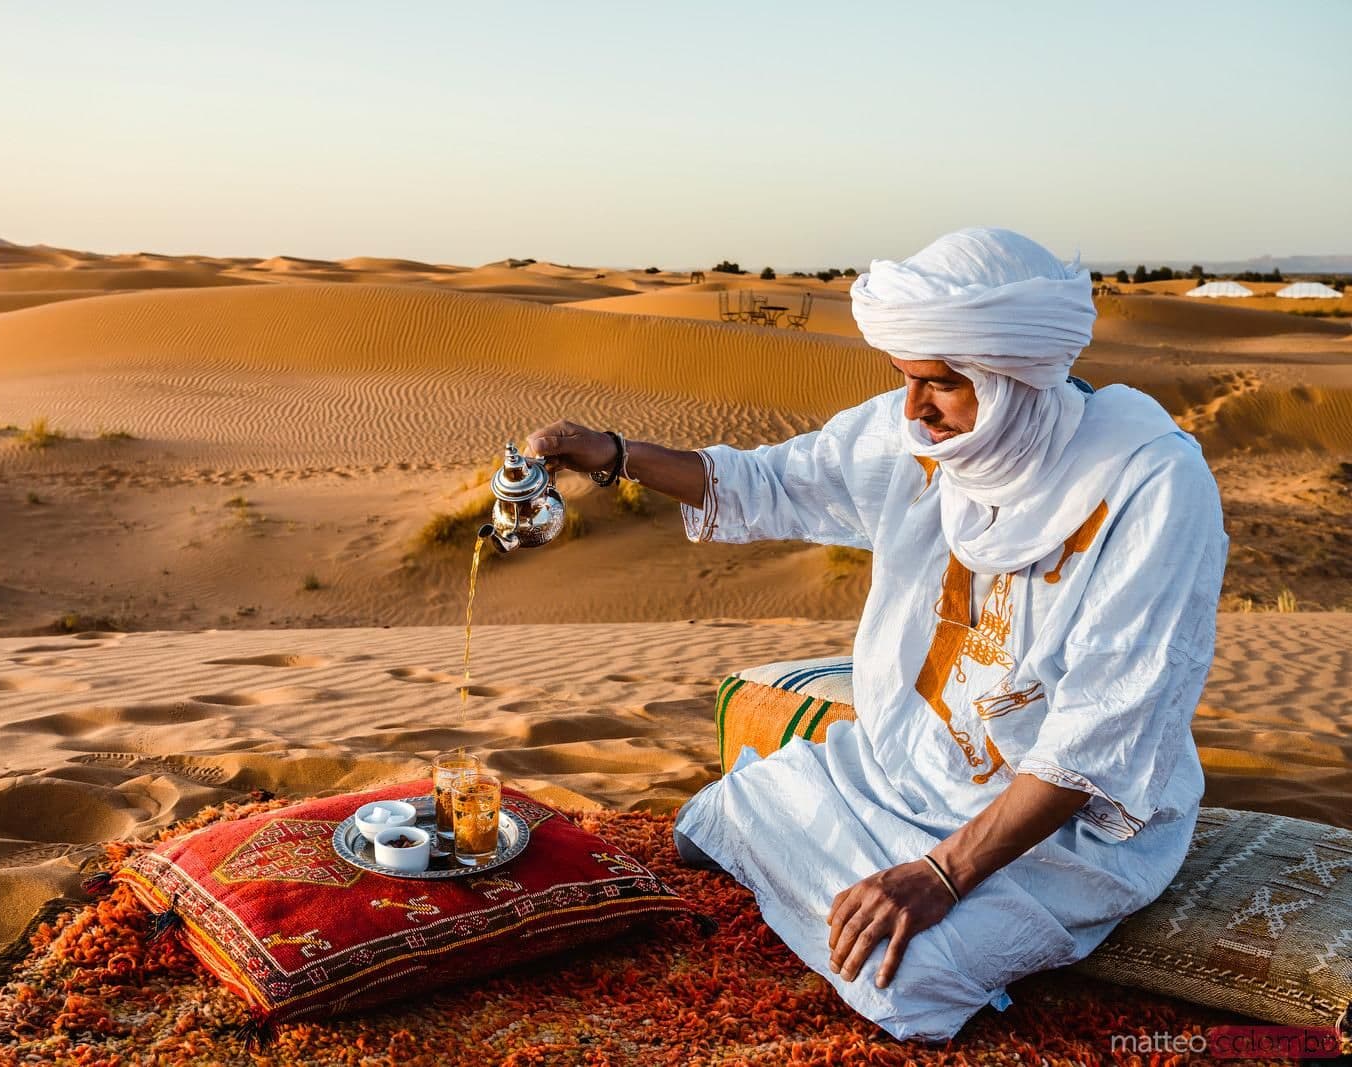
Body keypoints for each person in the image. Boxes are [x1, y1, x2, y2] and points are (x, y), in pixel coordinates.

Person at [525, 228, 1227, 1041]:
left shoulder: (1151, 485)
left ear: (1017, 377)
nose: (914, 410)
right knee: (718, 819)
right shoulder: (922, 440)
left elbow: (1099, 734)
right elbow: (766, 482)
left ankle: (901, 899)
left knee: (909, 985)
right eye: (905, 380)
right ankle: (842, 868)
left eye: (942, 385)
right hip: (907, 768)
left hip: (1060, 825)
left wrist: (939, 873)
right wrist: (608, 452)